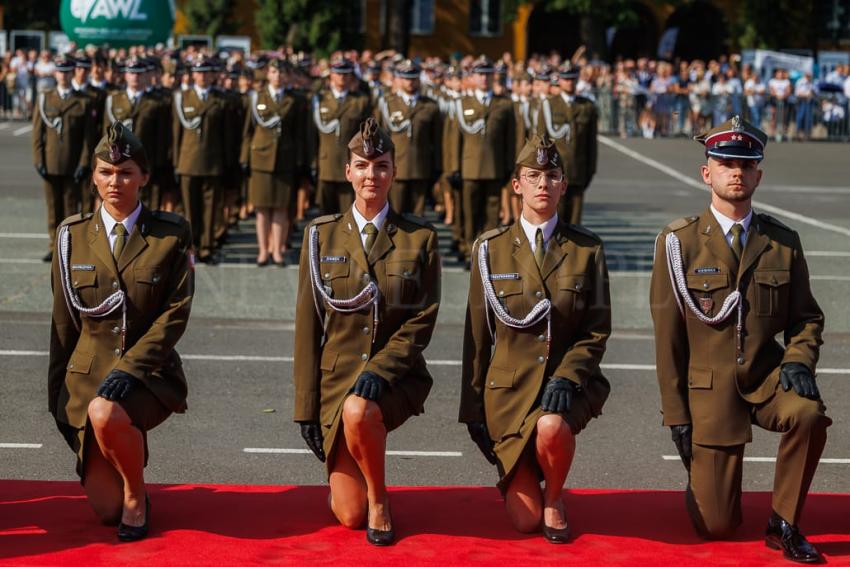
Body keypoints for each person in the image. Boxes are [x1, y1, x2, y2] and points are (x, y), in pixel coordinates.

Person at [650, 115, 830, 563]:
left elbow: (807, 318)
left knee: (807, 414)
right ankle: (705, 483)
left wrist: (797, 362)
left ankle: (784, 522)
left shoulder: (782, 242)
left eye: (746, 165)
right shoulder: (679, 242)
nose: (737, 172)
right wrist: (677, 416)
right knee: (716, 526)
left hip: (766, 378)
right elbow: (668, 338)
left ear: (758, 175)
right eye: (726, 163)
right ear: (706, 173)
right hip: (710, 391)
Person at [293, 118, 441, 546]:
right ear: (348, 172)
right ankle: (360, 485)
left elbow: (421, 320)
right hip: (336, 380)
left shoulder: (419, 239)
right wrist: (305, 407)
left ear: (394, 172)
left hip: (396, 380)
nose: (371, 175)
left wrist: (379, 370)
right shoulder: (320, 236)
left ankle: (381, 499)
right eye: (362, 165)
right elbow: (308, 325)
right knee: (347, 515)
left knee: (361, 412)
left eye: (380, 166)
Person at [459, 134, 611, 543]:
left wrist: (566, 377)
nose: (543, 184)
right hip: (508, 395)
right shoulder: (489, 250)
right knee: (522, 522)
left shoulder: (586, 250)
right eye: (533, 176)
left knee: (550, 427)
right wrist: (472, 409)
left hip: (565, 390)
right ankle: (526, 474)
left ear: (564, 184)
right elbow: (477, 337)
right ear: (517, 184)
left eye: (552, 176)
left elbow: (596, 331)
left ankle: (555, 496)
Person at [48, 122, 193, 542]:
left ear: (144, 177)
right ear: (93, 175)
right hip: (87, 377)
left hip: (149, 375)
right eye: (106, 173)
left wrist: (128, 371)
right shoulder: (71, 236)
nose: (116, 182)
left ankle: (136, 492)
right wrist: (56, 396)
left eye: (126, 172)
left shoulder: (170, 234)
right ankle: (122, 450)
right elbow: (62, 323)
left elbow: (175, 314)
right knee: (104, 512)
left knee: (106, 412)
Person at [241, 58, 308, 266]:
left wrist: (300, 159)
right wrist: (244, 158)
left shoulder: (293, 100)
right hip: (260, 158)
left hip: (285, 159)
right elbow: (248, 131)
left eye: (281, 73)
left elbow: (299, 133)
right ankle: (263, 251)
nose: (277, 76)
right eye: (273, 72)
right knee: (262, 208)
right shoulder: (256, 98)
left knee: (280, 208)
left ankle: (277, 250)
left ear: (287, 76)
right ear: (268, 74)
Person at [451, 56, 516, 265]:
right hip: (468, 168)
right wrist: (453, 168)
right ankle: (470, 247)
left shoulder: (504, 104)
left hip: (495, 167)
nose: (484, 79)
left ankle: (488, 252)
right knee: (469, 212)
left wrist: (509, 167)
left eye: (487, 75)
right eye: (480, 75)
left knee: (492, 213)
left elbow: (510, 140)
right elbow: (453, 139)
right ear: (473, 77)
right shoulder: (462, 104)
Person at [32, 56, 97, 262]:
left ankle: (69, 246)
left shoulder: (83, 100)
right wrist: (38, 160)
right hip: (50, 162)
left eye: (67, 71)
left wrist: (84, 163)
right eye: (60, 71)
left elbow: (88, 138)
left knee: (71, 208)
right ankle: (54, 245)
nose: (63, 75)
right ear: (55, 74)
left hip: (73, 163)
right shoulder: (45, 98)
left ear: (72, 73)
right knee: (53, 208)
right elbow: (37, 133)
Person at [173, 56, 231, 264]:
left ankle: (207, 247)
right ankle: (191, 247)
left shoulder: (220, 99)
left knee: (210, 210)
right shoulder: (182, 98)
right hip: (188, 161)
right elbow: (176, 132)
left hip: (213, 161)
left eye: (206, 72)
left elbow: (227, 135)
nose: (203, 76)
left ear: (213, 75)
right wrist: (175, 161)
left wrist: (227, 162)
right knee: (190, 209)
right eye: (199, 72)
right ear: (193, 75)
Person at [375, 59, 442, 217]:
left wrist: (438, 169)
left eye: (413, 77)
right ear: (399, 79)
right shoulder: (388, 104)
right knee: (394, 215)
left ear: (419, 79)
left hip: (421, 167)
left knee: (418, 217)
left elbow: (437, 141)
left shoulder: (430, 106)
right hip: (396, 167)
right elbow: (379, 139)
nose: (410, 82)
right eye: (406, 78)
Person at [536, 62, 597, 225]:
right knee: (554, 220)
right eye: (566, 79)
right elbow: (541, 142)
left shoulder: (587, 107)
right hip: (555, 173)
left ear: (577, 80)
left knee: (575, 222)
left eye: (572, 79)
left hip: (578, 172)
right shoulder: (549, 105)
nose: (569, 82)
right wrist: (542, 172)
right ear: (559, 81)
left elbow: (591, 144)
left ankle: (572, 252)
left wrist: (590, 170)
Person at [311, 57, 373, 214]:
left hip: (350, 163)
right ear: (331, 74)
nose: (342, 77)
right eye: (338, 73)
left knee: (349, 213)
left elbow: (368, 134)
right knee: (325, 214)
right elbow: (310, 135)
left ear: (352, 76)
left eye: (346, 74)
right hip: (326, 162)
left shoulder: (361, 101)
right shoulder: (320, 99)